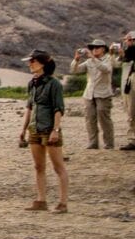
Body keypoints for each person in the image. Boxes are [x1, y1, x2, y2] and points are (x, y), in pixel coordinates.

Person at [19, 50, 68, 213]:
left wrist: (56, 129)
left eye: (33, 61)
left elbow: (58, 109)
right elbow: (29, 107)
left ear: (42, 64)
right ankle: (41, 200)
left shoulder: (54, 84)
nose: (30, 64)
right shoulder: (32, 83)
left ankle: (63, 202)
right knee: (38, 166)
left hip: (49, 129)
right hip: (35, 128)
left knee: (58, 166)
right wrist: (23, 128)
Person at [70, 39, 118, 149]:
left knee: (104, 118)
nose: (94, 50)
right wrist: (76, 59)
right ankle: (93, 142)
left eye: (97, 47)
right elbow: (75, 70)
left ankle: (109, 143)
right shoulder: (89, 62)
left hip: (103, 93)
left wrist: (93, 58)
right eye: (92, 48)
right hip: (89, 93)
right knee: (90, 118)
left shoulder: (108, 59)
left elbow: (105, 69)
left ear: (103, 49)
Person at [120, 31, 135, 151]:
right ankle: (132, 139)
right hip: (131, 82)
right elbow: (126, 58)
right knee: (131, 110)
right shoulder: (129, 52)